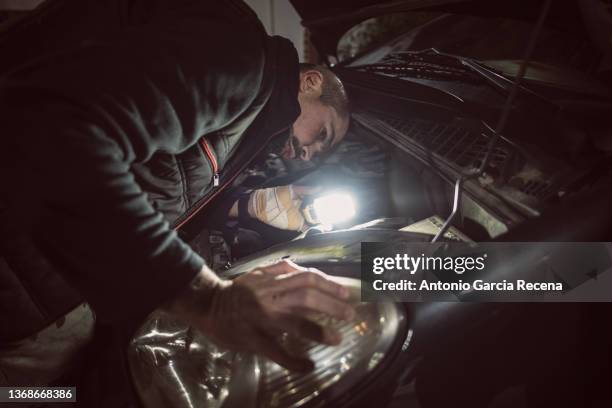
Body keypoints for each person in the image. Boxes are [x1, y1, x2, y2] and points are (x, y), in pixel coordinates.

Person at [0, 0, 351, 399]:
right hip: (18, 286)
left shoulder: (248, 114)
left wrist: (251, 205)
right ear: (310, 82)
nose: (308, 154)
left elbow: (164, 174)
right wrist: (206, 299)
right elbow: (50, 134)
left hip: (47, 303)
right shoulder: (240, 54)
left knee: (47, 398)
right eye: (321, 135)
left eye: (317, 156)